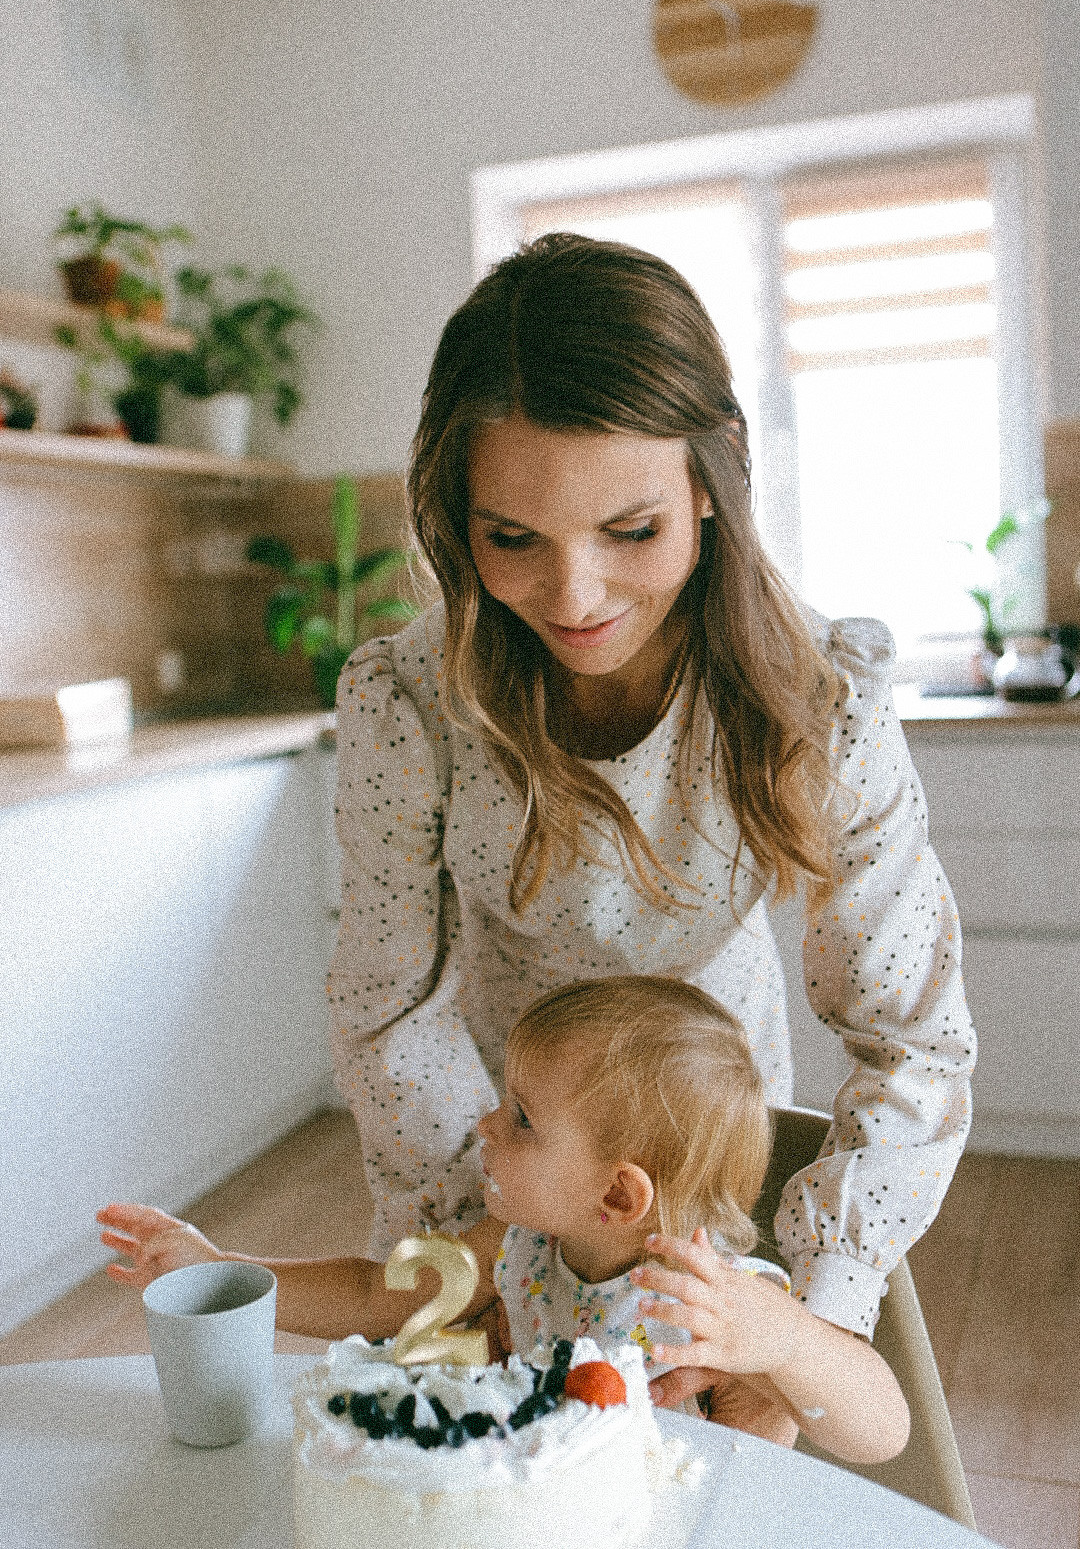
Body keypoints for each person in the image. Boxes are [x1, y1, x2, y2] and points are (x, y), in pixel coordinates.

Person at [328, 232, 975, 1364]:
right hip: (500, 1158)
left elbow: (911, 1041)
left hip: (709, 1166)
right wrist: (470, 1244)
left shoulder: (825, 700)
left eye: (632, 531)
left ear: (716, 476)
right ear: (455, 514)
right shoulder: (409, 705)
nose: (574, 596)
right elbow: (391, 1013)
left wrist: (804, 1324)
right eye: (511, 538)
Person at [97, 976, 910, 1465]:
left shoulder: (711, 1307)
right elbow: (380, 1296)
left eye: (521, 1117)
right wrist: (220, 1267)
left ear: (620, 1197)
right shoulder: (522, 1247)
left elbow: (882, 1431)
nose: (486, 1126)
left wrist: (788, 1340)